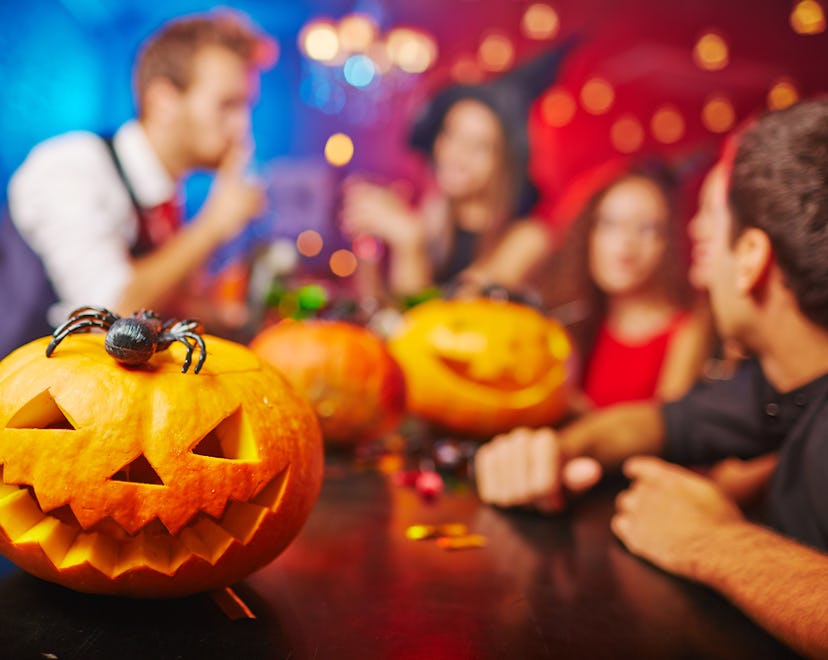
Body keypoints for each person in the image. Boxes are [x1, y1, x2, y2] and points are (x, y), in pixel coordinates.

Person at [475, 99, 828, 657]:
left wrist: (720, 542)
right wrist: (557, 452)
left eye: (709, 220)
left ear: (751, 258)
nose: (692, 236)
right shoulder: (779, 384)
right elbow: (664, 422)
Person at [0, 11, 270, 357]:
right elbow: (110, 311)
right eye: (227, 106)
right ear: (163, 102)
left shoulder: (165, 194)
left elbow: (166, 302)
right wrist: (213, 225)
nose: (242, 127)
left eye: (247, 107)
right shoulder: (72, 166)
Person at [340, 42, 575, 299]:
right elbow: (380, 314)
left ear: (505, 162)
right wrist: (369, 244)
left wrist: (409, 244)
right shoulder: (434, 218)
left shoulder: (529, 238)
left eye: (480, 147)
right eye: (450, 134)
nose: (456, 155)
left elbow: (445, 324)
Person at [545, 161, 712, 409]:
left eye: (646, 228)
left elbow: (662, 432)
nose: (625, 244)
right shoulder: (575, 319)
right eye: (610, 224)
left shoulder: (687, 327)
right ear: (588, 234)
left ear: (669, 241)